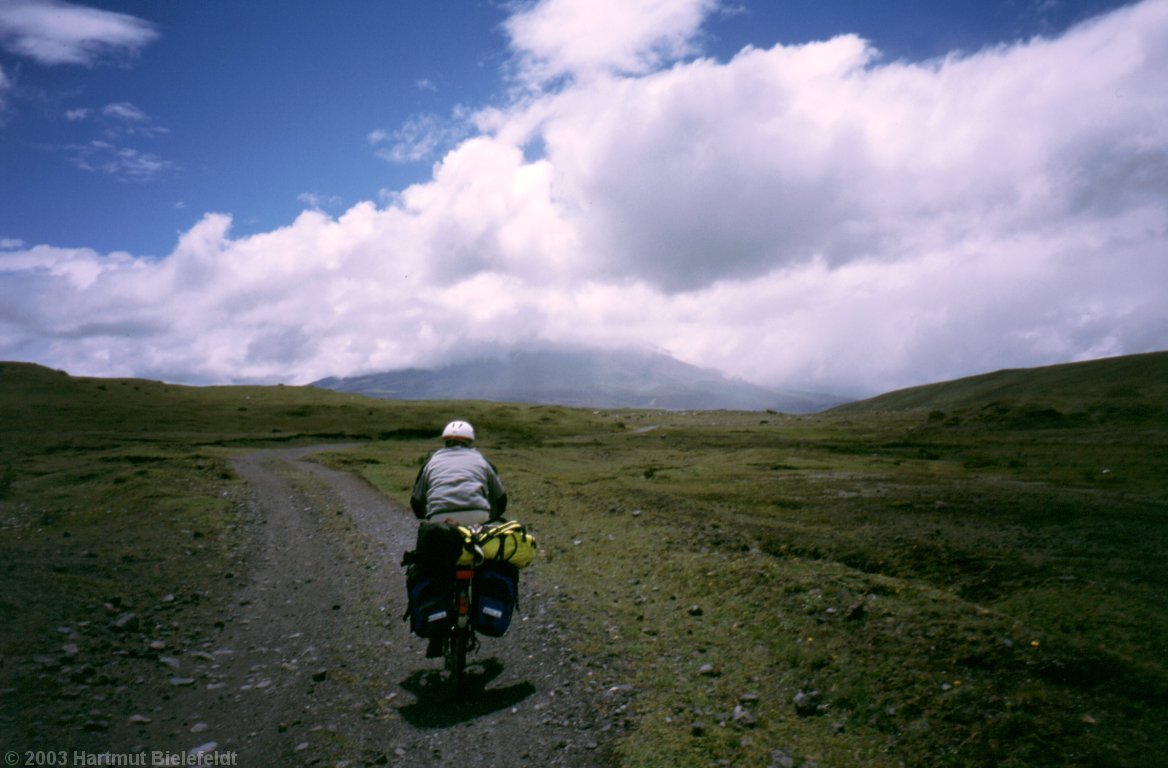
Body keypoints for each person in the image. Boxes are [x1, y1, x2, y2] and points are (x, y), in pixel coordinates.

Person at [410, 419, 508, 526]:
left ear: (445, 441)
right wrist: (491, 518)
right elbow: (500, 499)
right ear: (470, 441)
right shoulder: (482, 460)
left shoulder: (431, 461)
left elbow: (416, 501)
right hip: (477, 515)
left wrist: (425, 520)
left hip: (440, 517)